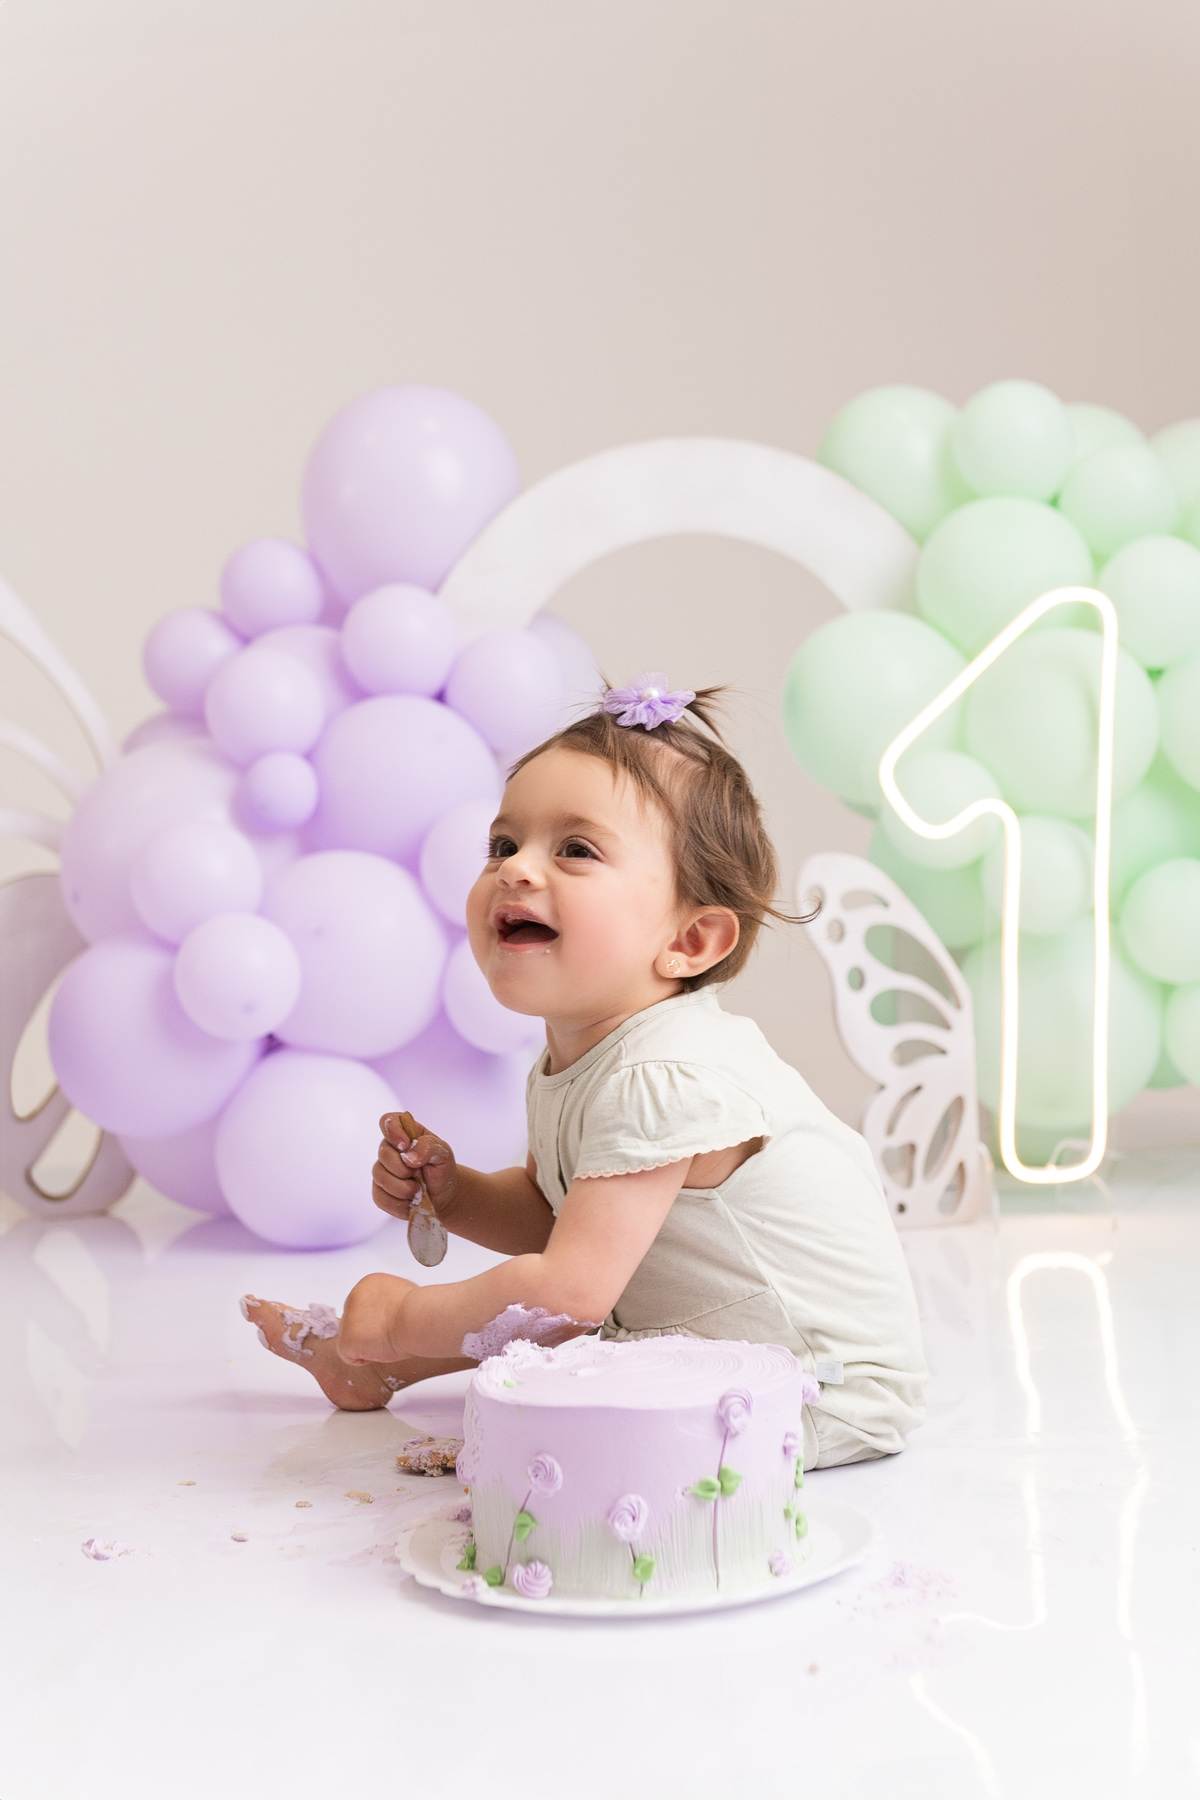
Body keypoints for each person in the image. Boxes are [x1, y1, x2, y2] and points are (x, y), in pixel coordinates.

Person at [246, 674, 925, 1469]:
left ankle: (385, 1351)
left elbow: (569, 1293)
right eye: (504, 845)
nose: (516, 870)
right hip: (700, 1343)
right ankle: (370, 1365)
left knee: (560, 1366)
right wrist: (458, 1195)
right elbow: (562, 1221)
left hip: (817, 1386)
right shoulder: (581, 1056)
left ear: (690, 942)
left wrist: (405, 1317)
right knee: (557, 1331)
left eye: (575, 850)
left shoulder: (662, 1076)